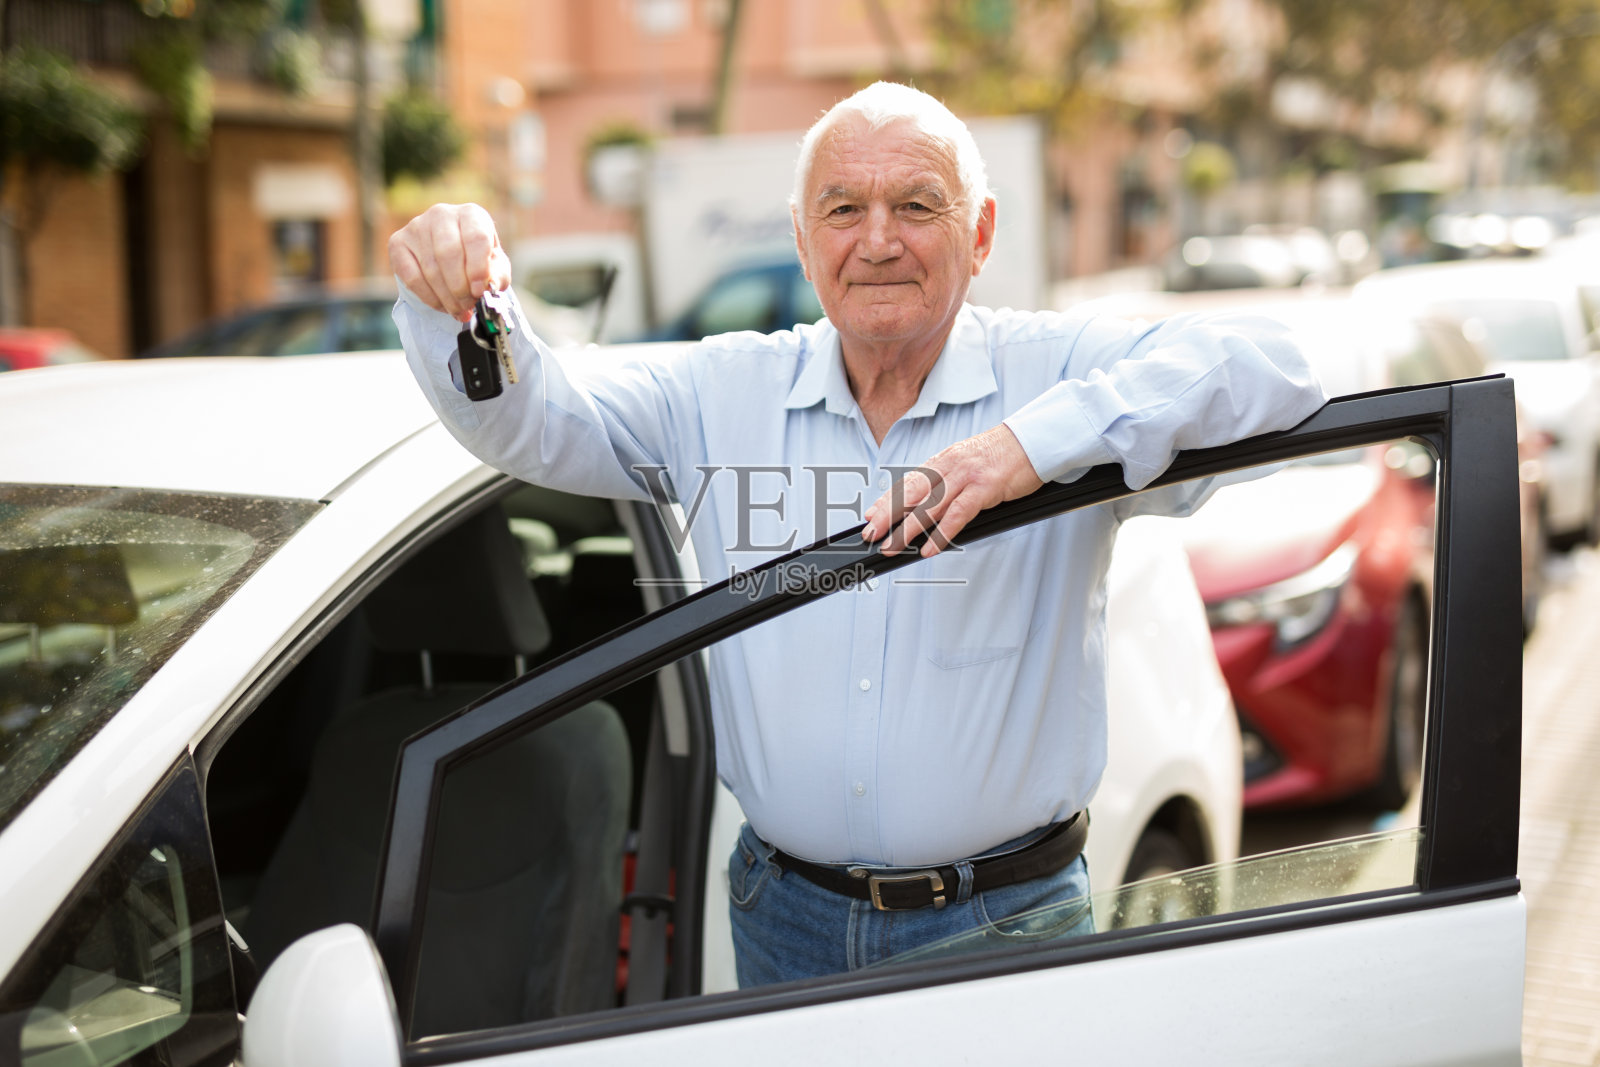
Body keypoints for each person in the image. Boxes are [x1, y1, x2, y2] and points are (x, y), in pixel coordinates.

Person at [389, 81, 1325, 988]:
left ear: (983, 231)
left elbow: (1276, 372)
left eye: (917, 204)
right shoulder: (724, 390)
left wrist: (1027, 449)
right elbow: (534, 421)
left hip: (1005, 924)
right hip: (781, 918)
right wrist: (458, 298)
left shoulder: (1052, 373)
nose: (878, 240)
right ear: (803, 239)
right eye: (843, 209)